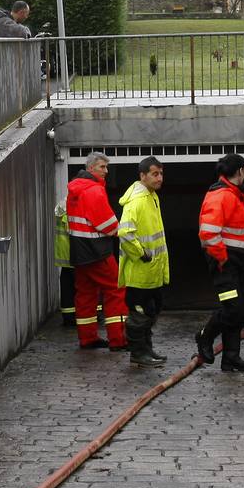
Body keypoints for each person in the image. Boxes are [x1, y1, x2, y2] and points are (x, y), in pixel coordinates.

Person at [195, 153, 244, 373]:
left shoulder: (238, 195)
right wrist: (223, 259)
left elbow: (243, 232)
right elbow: (208, 235)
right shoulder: (221, 196)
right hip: (224, 264)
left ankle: (231, 358)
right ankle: (205, 337)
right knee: (233, 308)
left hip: (238, 262)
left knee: (241, 312)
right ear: (240, 171)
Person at [66, 151, 128, 350]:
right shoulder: (93, 190)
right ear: (90, 168)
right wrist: (122, 230)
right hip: (97, 251)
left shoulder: (75, 189)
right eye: (102, 167)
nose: (106, 171)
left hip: (79, 251)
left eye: (106, 167)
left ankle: (87, 338)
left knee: (86, 292)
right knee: (116, 289)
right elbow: (108, 225)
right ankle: (119, 340)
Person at [118, 156, 170, 367]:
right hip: (140, 273)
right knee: (140, 314)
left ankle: (146, 350)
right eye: (155, 174)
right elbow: (125, 233)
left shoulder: (152, 197)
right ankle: (138, 353)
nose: (159, 178)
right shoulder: (137, 202)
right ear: (143, 176)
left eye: (161, 173)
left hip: (151, 272)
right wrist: (142, 254)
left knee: (151, 311)